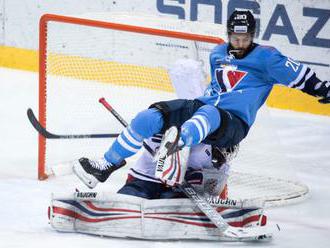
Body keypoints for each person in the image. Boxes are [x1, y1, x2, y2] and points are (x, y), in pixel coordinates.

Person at [73, 10, 330, 191]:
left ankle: (172, 150)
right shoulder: (218, 52)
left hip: (233, 123)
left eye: (245, 38)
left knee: (209, 115)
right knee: (149, 117)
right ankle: (106, 165)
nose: (240, 43)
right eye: (235, 37)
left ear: (253, 34)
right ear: (229, 33)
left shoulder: (267, 58)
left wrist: (323, 89)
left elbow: (300, 75)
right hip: (204, 108)